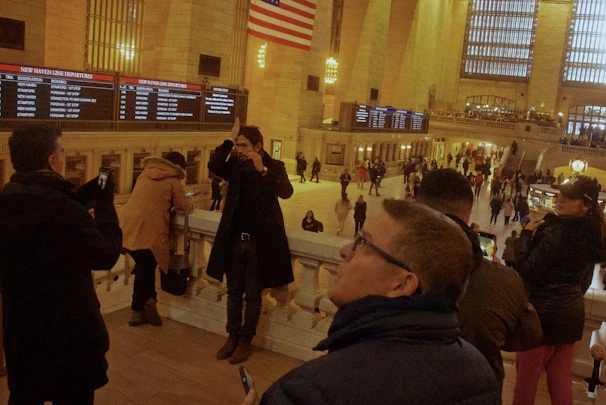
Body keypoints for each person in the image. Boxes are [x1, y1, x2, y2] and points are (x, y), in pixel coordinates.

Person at [242, 199, 501, 405]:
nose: (345, 250)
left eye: (363, 243)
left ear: (401, 284)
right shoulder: (479, 373)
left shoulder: (310, 391)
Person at [0, 124, 122, 404]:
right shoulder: (64, 211)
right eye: (61, 152)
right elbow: (106, 254)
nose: (63, 157)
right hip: (69, 339)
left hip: (23, 336)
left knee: (25, 395)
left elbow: (41, 214)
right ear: (51, 161)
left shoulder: (7, 201)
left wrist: (81, 196)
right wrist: (104, 205)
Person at [416, 169, 542, 392]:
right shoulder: (502, 279)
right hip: (476, 389)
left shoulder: (386, 264)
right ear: (468, 212)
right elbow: (528, 336)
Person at [513, 175, 606, 405]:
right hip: (570, 316)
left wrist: (525, 237)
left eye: (569, 197)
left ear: (585, 205)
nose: (560, 198)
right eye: (561, 193)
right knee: (560, 381)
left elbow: (527, 269)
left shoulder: (561, 233)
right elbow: (582, 281)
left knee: (526, 382)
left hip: (541, 319)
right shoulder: (592, 233)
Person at [207, 118, 294, 364]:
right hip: (235, 240)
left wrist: (262, 170)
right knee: (233, 292)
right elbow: (213, 165)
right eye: (237, 145)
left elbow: (286, 192)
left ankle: (246, 341)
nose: (239, 150)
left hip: (259, 244)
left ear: (257, 146)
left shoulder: (274, 166)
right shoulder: (234, 164)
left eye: (243, 145)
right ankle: (232, 337)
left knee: (253, 296)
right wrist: (228, 138)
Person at [119, 152, 189, 326]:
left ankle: (150, 304)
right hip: (149, 232)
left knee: (145, 269)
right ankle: (136, 311)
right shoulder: (174, 181)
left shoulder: (144, 174)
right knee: (145, 270)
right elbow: (183, 207)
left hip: (128, 228)